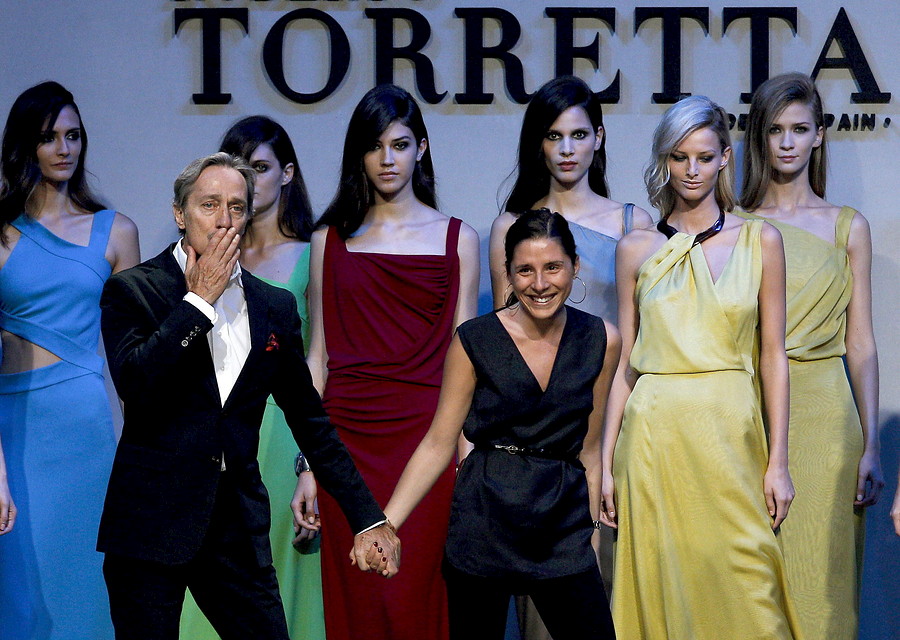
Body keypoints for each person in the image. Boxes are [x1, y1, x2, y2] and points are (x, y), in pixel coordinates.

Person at [97, 152, 399, 640]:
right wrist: (198, 303)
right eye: (209, 205)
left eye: (236, 207)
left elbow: (312, 422)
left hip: (234, 525)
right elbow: (137, 384)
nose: (224, 220)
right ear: (180, 214)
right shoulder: (133, 290)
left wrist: (367, 519)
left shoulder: (272, 306)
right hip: (150, 522)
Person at [601, 96, 802, 639]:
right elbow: (625, 365)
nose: (692, 170)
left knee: (752, 595)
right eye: (679, 157)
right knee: (661, 588)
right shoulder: (635, 247)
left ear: (725, 158)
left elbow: (773, 356)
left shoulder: (762, 240)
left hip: (731, 435)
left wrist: (779, 461)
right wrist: (605, 463)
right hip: (653, 438)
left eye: (705, 157)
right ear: (664, 160)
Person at [383, 209, 620, 640]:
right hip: (485, 518)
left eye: (553, 267)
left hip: (561, 522)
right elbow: (438, 442)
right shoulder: (475, 339)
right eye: (525, 270)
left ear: (575, 266)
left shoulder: (602, 339)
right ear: (508, 274)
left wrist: (591, 533)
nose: (540, 283)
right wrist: (385, 522)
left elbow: (589, 449)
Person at [306, 84, 479, 640]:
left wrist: (465, 458)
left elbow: (466, 363)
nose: (387, 159)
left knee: (413, 601)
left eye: (400, 145)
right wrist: (307, 466)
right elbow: (318, 358)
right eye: (374, 146)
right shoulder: (329, 240)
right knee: (358, 600)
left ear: (421, 149)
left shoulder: (458, 239)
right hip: (345, 447)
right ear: (358, 154)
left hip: (426, 444)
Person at [488, 73, 651, 640]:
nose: (566, 149)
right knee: (545, 608)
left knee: (619, 594)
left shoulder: (634, 224)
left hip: (619, 427)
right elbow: (503, 350)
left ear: (599, 138)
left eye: (579, 135)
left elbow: (639, 343)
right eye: (554, 136)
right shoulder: (511, 227)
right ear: (539, 142)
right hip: (540, 443)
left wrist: (608, 446)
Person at [736, 72, 883, 639]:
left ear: (820, 135)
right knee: (748, 591)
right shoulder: (735, 225)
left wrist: (871, 446)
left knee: (823, 590)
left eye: (800, 129)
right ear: (760, 137)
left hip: (825, 416)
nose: (788, 142)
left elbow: (861, 343)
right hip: (749, 411)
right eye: (775, 129)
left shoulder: (847, 227)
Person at [0, 81, 140, 640]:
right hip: (14, 435)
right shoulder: (2, 236)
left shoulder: (117, 232)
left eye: (74, 135)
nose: (64, 148)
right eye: (49, 137)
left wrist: (144, 459)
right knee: (20, 597)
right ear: (25, 146)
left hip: (85, 432)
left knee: (86, 587)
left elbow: (133, 364)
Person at [178, 116, 325, 640]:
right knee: (202, 580)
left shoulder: (313, 251)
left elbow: (319, 358)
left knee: (276, 581)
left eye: (261, 167)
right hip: (212, 432)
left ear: (287, 173)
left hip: (280, 434)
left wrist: (309, 463)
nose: (250, 180)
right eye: (241, 168)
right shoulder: (198, 255)